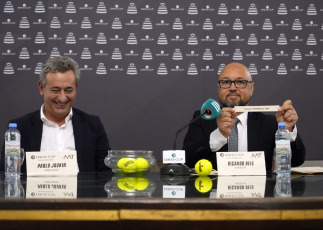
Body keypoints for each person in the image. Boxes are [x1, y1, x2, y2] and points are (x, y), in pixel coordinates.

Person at [183, 62, 305, 171]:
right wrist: (219, 134)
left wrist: (287, 131)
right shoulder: (203, 117)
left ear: (251, 88)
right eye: (225, 82)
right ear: (219, 88)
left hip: (258, 194)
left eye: (240, 82)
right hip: (214, 192)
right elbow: (187, 160)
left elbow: (296, 161)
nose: (232, 88)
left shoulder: (271, 124)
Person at [0, 56, 111, 173]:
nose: (62, 98)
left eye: (68, 90)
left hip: (82, 192)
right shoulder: (21, 128)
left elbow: (106, 173)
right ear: (41, 88)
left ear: (76, 88)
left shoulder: (93, 125)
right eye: (55, 90)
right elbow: (6, 172)